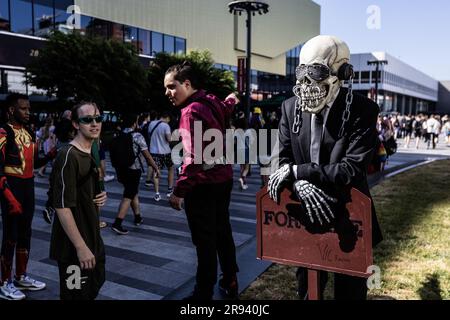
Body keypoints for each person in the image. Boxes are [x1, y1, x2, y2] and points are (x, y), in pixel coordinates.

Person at [268, 35, 383, 300]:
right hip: (306, 217)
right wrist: (299, 183)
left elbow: (351, 169)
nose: (306, 83)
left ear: (342, 72)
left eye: (317, 72)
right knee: (308, 290)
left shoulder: (363, 110)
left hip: (348, 219)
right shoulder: (289, 108)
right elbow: (281, 160)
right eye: (301, 73)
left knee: (350, 293)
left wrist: (298, 172)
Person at [164, 62, 240, 300]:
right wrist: (232, 99)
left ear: (187, 84)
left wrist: (179, 191)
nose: (168, 93)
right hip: (223, 178)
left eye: (171, 87)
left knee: (205, 241)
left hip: (203, 185)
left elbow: (193, 158)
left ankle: (203, 294)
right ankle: (230, 279)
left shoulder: (189, 112)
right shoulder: (211, 100)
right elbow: (228, 106)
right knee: (223, 232)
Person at [0, 93, 56, 300]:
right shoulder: (3, 132)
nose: (28, 112)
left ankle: (21, 276)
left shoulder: (30, 132)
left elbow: (34, 164)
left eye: (29, 108)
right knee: (10, 236)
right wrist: (9, 198)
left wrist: (50, 156)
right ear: (11, 110)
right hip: (11, 188)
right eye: (23, 108)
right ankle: (4, 282)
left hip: (28, 187)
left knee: (25, 233)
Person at [49, 101, 107, 300]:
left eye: (98, 118)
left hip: (92, 236)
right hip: (73, 246)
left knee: (93, 286)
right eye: (87, 119)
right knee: (74, 295)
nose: (94, 123)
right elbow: (62, 206)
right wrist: (80, 248)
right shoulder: (68, 155)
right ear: (75, 124)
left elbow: (87, 188)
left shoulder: (94, 148)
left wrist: (100, 195)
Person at [110, 113, 160, 235]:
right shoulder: (137, 136)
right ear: (134, 123)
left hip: (121, 169)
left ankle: (137, 217)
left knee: (133, 192)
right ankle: (118, 223)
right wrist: (155, 167)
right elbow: (147, 156)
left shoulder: (119, 135)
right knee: (128, 195)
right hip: (133, 170)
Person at [147, 112, 174, 201]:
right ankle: (170, 190)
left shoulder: (151, 124)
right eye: (169, 119)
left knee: (156, 171)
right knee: (171, 169)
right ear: (166, 117)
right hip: (166, 152)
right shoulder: (166, 126)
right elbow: (169, 139)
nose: (169, 121)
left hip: (154, 152)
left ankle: (157, 193)